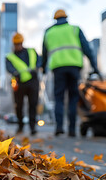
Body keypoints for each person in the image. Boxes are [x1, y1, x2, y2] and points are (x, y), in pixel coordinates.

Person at [42, 9, 100, 137]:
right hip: (74, 67)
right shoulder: (75, 29)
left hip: (57, 68)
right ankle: (72, 129)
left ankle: (59, 127)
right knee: (73, 97)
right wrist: (94, 66)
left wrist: (43, 68)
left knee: (59, 98)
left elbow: (44, 52)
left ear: (55, 18)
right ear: (66, 17)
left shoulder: (49, 32)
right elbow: (87, 48)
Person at [6, 33, 41, 135]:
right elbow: (9, 68)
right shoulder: (10, 57)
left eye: (19, 43)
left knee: (33, 104)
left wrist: (37, 67)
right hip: (19, 83)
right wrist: (14, 72)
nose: (18, 46)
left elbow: (39, 61)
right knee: (19, 105)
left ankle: (32, 127)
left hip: (33, 81)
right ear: (13, 44)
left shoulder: (32, 51)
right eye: (16, 44)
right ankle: (20, 125)